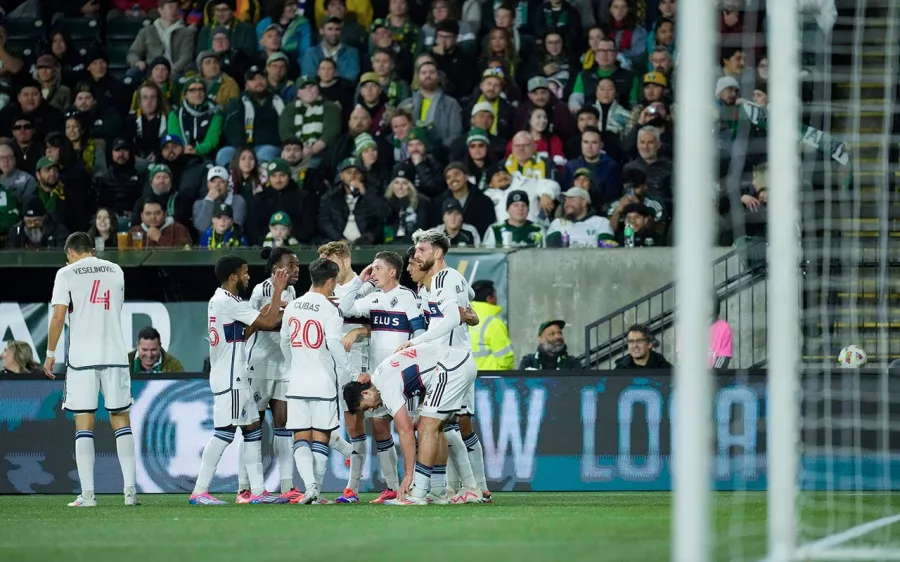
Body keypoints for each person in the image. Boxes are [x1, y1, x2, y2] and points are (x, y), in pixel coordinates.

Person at [44, 232, 138, 507]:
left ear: (71, 252)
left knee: (84, 422)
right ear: (93, 248)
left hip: (83, 358)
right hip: (115, 354)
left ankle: (88, 495)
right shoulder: (116, 270)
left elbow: (59, 316)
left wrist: (50, 354)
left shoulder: (66, 273)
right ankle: (130, 492)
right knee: (121, 420)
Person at [189, 255, 288, 505]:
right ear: (233, 277)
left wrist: (260, 315)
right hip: (230, 377)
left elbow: (242, 334)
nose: (248, 276)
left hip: (237, 375)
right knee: (224, 433)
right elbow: (267, 322)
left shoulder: (226, 301)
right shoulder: (226, 301)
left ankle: (257, 492)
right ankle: (199, 491)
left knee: (253, 428)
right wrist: (277, 293)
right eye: (244, 273)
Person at [332, 251, 427, 503]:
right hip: (379, 377)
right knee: (380, 427)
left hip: (405, 374)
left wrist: (411, 344)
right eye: (371, 268)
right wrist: (360, 283)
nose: (372, 271)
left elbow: (420, 330)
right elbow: (345, 307)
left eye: (377, 268)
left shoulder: (406, 297)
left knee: (413, 428)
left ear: (392, 271)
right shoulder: (373, 297)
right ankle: (394, 487)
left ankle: (422, 484)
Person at [403, 228, 488, 503]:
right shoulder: (447, 279)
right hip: (450, 361)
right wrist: (469, 313)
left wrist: (417, 343)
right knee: (444, 427)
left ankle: (430, 490)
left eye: (422, 250)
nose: (417, 255)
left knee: (431, 425)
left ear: (438, 253)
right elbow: (469, 296)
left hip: (452, 362)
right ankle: (464, 488)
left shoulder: (443, 278)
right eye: (416, 251)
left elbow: (451, 318)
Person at [278, 258, 354, 505]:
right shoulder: (331, 310)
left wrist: (294, 365)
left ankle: (309, 487)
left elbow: (284, 342)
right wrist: (351, 373)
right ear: (331, 281)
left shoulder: (292, 306)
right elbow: (334, 344)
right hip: (322, 382)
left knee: (300, 436)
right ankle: (316, 491)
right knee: (321, 436)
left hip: (297, 381)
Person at [241, 246, 302, 503]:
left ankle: (287, 485)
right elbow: (269, 320)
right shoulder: (265, 289)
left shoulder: (290, 290)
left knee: (284, 426)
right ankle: (245, 487)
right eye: (291, 265)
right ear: (277, 268)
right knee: (252, 428)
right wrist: (291, 313)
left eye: (297, 264)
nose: (296, 269)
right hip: (259, 364)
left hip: (282, 365)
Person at [126, 0, 196, 77]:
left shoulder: (186, 32)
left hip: (175, 71)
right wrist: (137, 61)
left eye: (176, 8)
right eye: (171, 7)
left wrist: (170, 71)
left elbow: (186, 56)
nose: (174, 10)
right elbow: (133, 52)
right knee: (132, 74)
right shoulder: (147, 31)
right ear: (160, 10)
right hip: (150, 70)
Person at [167, 77, 223, 159]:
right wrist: (184, 150)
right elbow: (175, 140)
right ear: (185, 94)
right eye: (192, 90)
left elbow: (211, 141)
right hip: (181, 155)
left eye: (201, 89)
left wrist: (195, 150)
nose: (197, 93)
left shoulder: (215, 113)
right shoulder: (175, 115)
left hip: (207, 157)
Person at [546, 187, 617, 248]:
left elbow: (607, 249)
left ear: (584, 202)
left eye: (571, 198)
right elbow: (551, 251)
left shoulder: (601, 222)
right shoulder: (557, 223)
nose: (567, 203)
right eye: (565, 200)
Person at [468, 280, 514, 371]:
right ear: (489, 299)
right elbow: (506, 360)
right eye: (495, 296)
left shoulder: (463, 319)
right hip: (490, 381)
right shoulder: (493, 323)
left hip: (466, 380)